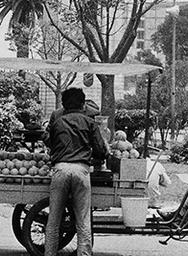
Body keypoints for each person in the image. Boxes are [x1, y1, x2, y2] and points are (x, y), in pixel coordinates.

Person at [44, 88, 108, 256]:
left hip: (60, 170)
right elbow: (101, 151)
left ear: (63, 105)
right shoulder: (90, 123)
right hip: (81, 171)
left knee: (53, 222)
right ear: (82, 104)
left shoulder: (57, 122)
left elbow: (50, 143)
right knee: (83, 221)